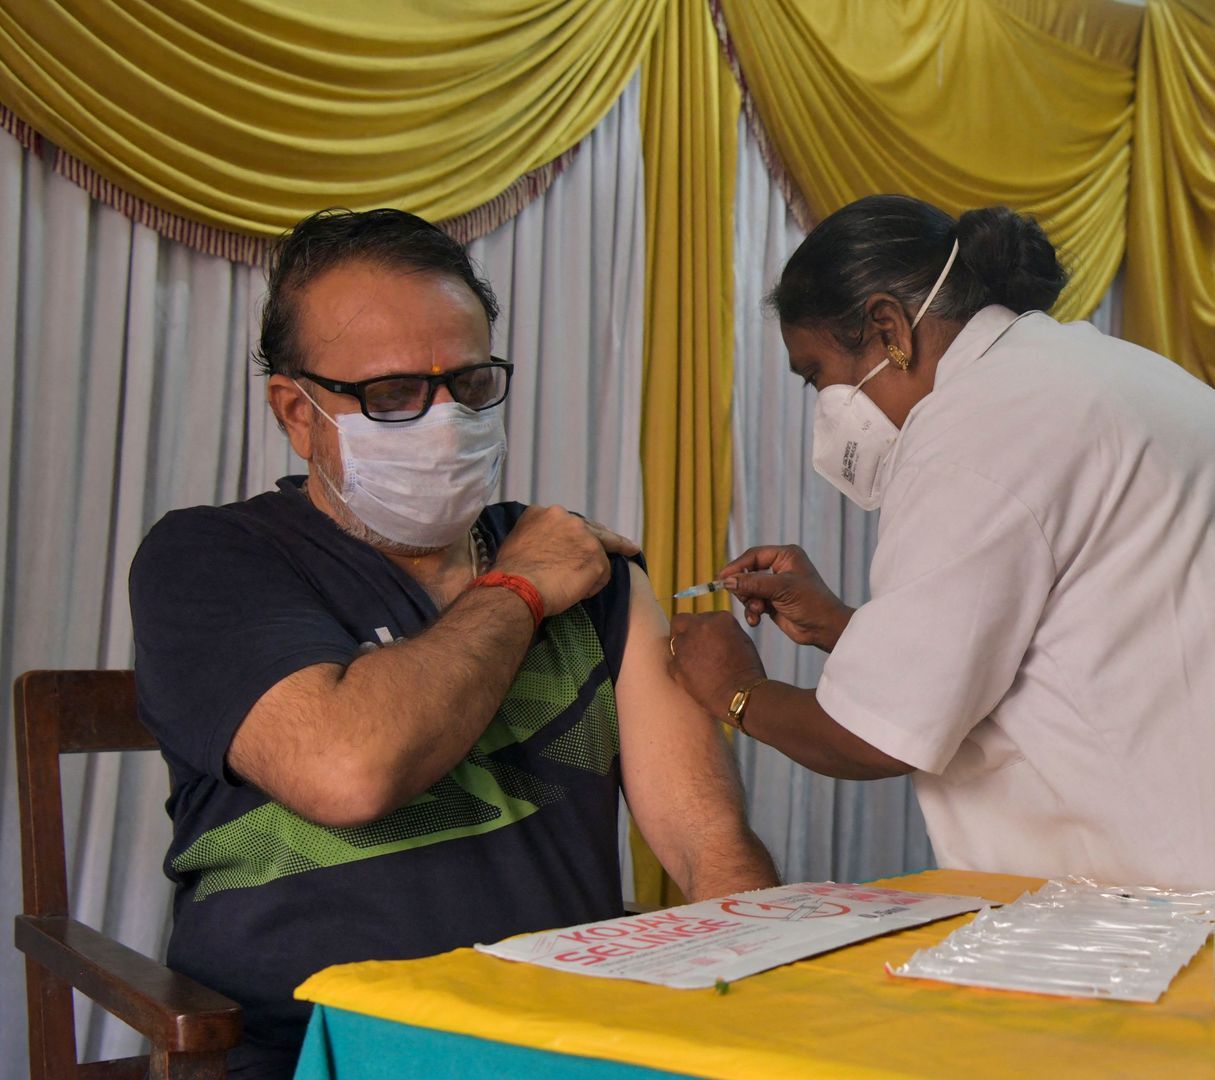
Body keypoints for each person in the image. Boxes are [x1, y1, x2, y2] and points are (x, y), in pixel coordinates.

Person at [129, 208, 777, 1078]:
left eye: (469, 385)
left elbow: (709, 844)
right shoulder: (213, 559)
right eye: (393, 395)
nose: (445, 420)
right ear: (297, 412)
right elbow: (346, 768)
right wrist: (520, 587)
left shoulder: (590, 571)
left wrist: (763, 1012)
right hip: (315, 1048)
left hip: (561, 1041)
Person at [667, 195, 1215, 889]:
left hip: (1148, 897)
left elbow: (872, 737)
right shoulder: (1101, 372)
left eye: (817, 376)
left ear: (889, 329)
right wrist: (841, 627)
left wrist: (735, 689)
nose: (825, 407)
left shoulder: (972, 430)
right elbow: (1062, 637)